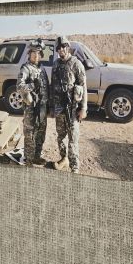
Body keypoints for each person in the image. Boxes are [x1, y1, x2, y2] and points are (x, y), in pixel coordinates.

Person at [52, 36, 87, 173]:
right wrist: (51, 106)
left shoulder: (76, 64)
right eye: (59, 48)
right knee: (61, 136)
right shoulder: (55, 64)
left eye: (63, 47)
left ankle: (75, 166)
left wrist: (83, 108)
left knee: (73, 138)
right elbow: (52, 85)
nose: (61, 50)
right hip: (58, 107)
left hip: (72, 107)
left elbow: (83, 86)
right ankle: (64, 158)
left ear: (68, 47)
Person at [16, 39, 49, 166]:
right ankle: (29, 160)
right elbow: (19, 86)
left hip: (42, 108)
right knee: (30, 136)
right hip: (31, 110)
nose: (36, 55)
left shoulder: (42, 69)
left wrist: (48, 106)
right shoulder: (26, 68)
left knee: (41, 134)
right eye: (33, 52)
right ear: (29, 54)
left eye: (38, 53)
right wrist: (31, 85)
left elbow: (47, 87)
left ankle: (36, 156)